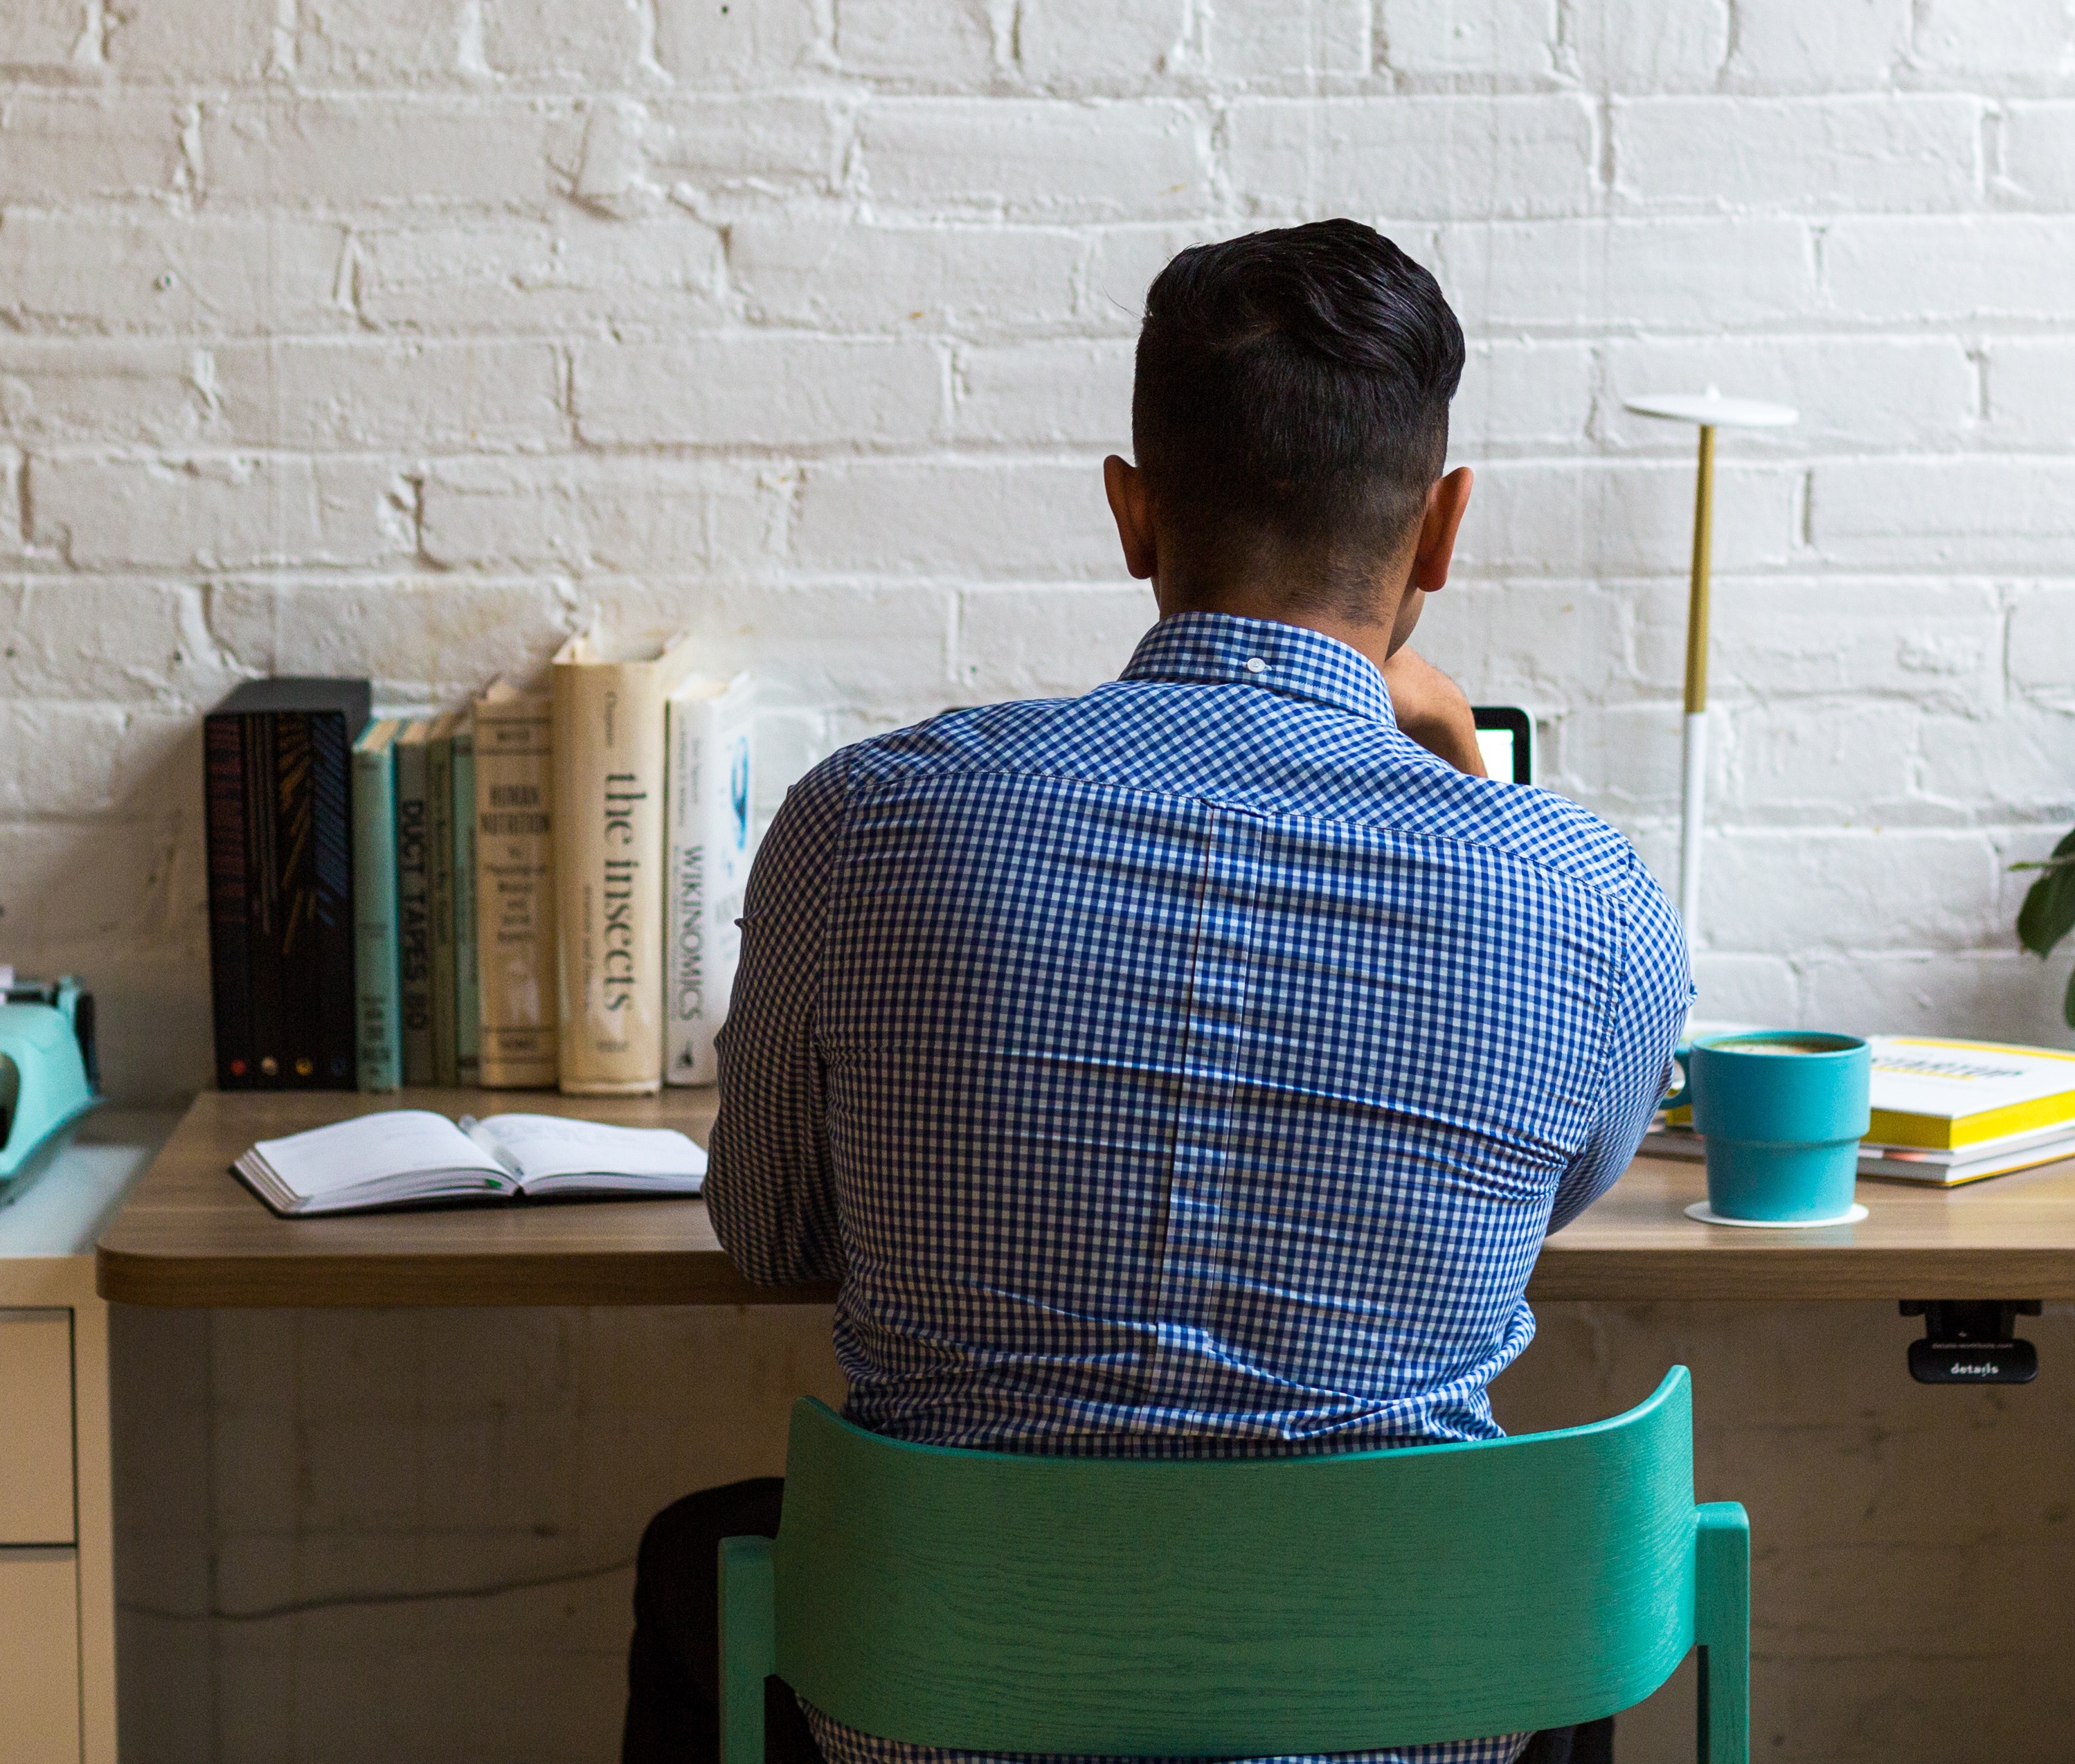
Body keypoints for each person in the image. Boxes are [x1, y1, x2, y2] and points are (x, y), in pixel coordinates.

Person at [625, 220, 1694, 1764]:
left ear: (1133, 512)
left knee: (705, 1552)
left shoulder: (868, 822)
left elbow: (771, 1231)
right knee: (1546, 1592)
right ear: (1445, 534)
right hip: (1403, 1703)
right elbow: (1545, 1207)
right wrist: (1474, 796)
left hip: (946, 1704)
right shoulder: (1590, 906)